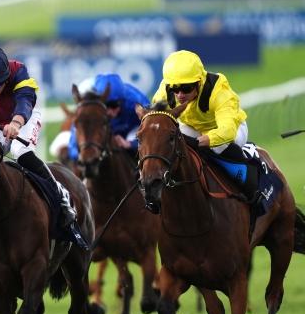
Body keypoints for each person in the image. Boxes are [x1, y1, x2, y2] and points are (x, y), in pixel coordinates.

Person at [0, 44, 77, 241]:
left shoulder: (19, 72)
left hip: (22, 118)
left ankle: (61, 197)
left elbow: (25, 102)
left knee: (21, 152)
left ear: (5, 75)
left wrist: (16, 123)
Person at [150, 49, 260, 202]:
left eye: (186, 88)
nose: (180, 94)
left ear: (199, 82)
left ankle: (248, 176)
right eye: (175, 89)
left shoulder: (219, 91)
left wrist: (200, 142)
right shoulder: (166, 89)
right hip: (192, 127)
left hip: (231, 130)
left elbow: (227, 130)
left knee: (215, 147)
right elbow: (157, 120)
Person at [68, 72, 150, 161]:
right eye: (106, 105)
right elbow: (72, 149)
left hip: (134, 129)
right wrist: (85, 153)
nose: (110, 112)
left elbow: (152, 133)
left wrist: (131, 144)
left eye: (114, 105)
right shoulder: (91, 111)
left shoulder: (138, 102)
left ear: (122, 101)